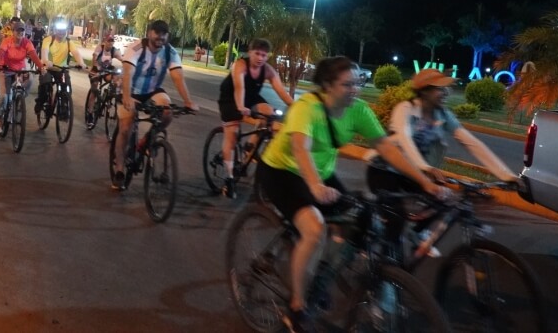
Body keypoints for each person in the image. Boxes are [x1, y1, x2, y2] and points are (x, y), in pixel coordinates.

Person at [256, 56, 449, 332]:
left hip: (320, 174)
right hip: (283, 172)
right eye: (347, 84)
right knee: (314, 228)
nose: (355, 89)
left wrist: (424, 180)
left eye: (358, 83)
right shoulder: (306, 108)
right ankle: (297, 306)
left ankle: (320, 272)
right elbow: (300, 147)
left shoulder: (357, 109)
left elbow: (387, 148)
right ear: (327, 85)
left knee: (359, 219)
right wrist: (314, 187)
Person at [366, 68, 519, 252]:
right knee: (396, 218)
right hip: (383, 169)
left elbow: (471, 143)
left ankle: (417, 233)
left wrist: (506, 175)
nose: (446, 92)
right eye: (440, 88)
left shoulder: (443, 115)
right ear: (424, 91)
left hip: (412, 172)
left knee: (444, 199)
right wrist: (425, 167)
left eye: (446, 88)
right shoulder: (405, 109)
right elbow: (405, 139)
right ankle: (387, 272)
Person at [111, 20, 199, 190]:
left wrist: (188, 101)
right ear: (149, 33)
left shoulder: (170, 52)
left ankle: (146, 140)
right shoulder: (136, 48)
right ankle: (119, 169)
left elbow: (178, 77)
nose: (160, 36)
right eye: (156, 32)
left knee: (167, 112)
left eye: (164, 33)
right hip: (132, 90)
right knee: (125, 128)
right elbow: (128, 73)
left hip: (153, 90)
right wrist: (127, 97)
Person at [217, 38, 294, 199]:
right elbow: (239, 88)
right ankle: (229, 179)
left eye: (264, 55)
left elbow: (282, 92)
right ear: (249, 53)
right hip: (230, 98)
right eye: (257, 53)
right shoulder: (240, 65)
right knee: (232, 134)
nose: (260, 58)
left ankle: (249, 147)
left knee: (269, 113)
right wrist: (240, 108)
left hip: (251, 97)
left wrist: (297, 108)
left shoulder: (268, 70)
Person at [0, 22, 44, 132]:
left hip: (20, 71)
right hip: (5, 70)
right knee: (4, 96)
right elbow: (1, 52)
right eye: (17, 30)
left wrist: (40, 67)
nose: (20, 33)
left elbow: (33, 54)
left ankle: (19, 99)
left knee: (30, 79)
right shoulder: (7, 41)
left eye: (22, 31)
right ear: (13, 31)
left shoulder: (27, 42)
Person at [36, 22, 87, 119]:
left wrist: (81, 62)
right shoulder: (48, 40)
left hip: (61, 70)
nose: (61, 32)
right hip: (48, 68)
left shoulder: (68, 42)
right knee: (45, 84)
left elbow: (76, 53)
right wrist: (46, 61)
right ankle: (40, 102)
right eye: (59, 30)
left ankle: (63, 108)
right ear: (55, 30)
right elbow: (44, 52)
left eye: (63, 30)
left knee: (66, 86)